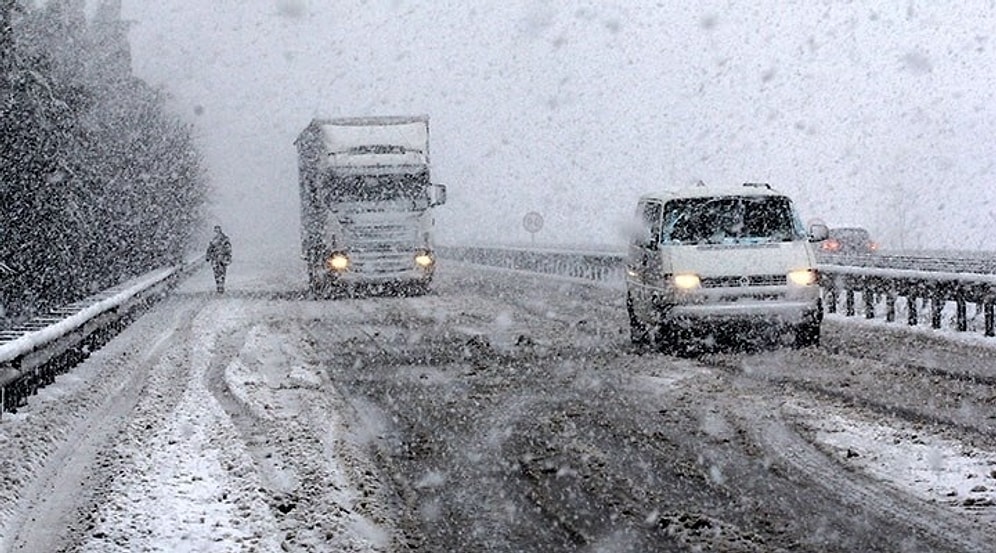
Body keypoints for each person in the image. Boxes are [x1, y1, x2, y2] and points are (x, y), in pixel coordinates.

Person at [205, 225, 232, 293]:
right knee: (216, 272)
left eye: (217, 230)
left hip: (222, 258)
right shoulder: (213, 240)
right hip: (215, 258)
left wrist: (228, 257)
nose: (216, 232)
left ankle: (221, 284)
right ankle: (218, 284)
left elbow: (228, 248)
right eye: (215, 230)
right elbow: (209, 249)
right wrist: (208, 256)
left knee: (222, 271)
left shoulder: (224, 239)